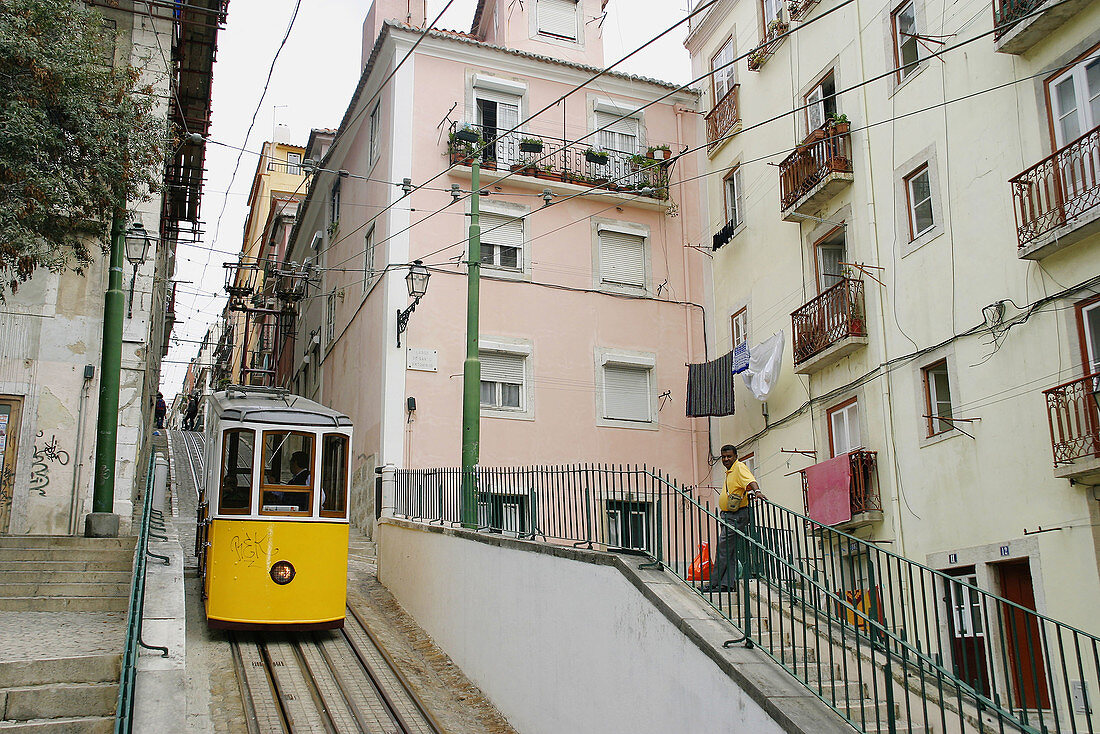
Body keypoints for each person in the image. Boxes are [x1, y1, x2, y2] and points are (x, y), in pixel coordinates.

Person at [702, 444, 764, 593]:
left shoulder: (739, 467)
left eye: (729, 456)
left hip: (736, 516)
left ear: (735, 456)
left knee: (723, 548)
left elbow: (750, 480)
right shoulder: (730, 471)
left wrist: (758, 491)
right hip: (729, 515)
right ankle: (726, 584)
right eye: (723, 457)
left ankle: (714, 583)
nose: (726, 459)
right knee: (728, 551)